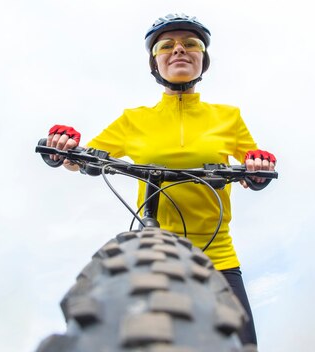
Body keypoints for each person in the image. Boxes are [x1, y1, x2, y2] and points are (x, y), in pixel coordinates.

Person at [46, 13, 276, 347]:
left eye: (190, 44)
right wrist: (63, 148)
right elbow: (83, 159)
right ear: (155, 63)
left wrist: (258, 168)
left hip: (219, 257)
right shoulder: (134, 120)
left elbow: (254, 168)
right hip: (150, 252)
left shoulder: (229, 117)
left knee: (242, 345)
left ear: (202, 60)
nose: (179, 50)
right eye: (166, 45)